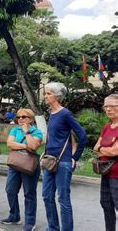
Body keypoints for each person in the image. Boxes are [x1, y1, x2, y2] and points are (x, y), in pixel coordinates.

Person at [41, 82, 87, 230]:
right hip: (50, 161)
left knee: (63, 199)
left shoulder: (65, 113)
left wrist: (75, 157)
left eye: (48, 93)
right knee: (47, 196)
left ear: (57, 96)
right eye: (45, 93)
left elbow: (82, 135)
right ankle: (52, 227)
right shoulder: (51, 113)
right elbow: (55, 136)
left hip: (63, 162)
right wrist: (46, 150)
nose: (45, 96)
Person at [1, 109, 43, 231]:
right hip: (15, 163)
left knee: (29, 194)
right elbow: (9, 144)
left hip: (29, 165)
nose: (20, 119)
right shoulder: (15, 129)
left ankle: (30, 222)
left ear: (30, 119)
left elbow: (34, 146)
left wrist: (27, 132)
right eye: (18, 117)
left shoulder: (37, 132)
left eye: (23, 117)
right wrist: (25, 146)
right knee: (10, 190)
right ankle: (14, 215)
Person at [94, 94, 118, 231]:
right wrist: (106, 149)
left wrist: (102, 149)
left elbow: (115, 152)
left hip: (117, 175)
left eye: (112, 106)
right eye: (106, 106)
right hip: (106, 173)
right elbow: (95, 148)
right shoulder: (107, 127)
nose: (108, 109)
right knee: (106, 205)